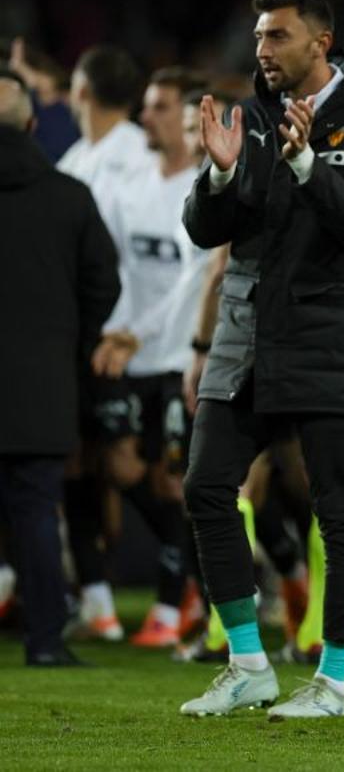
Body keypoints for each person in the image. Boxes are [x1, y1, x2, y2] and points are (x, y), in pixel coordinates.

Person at [178, 0, 344, 720]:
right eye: (257, 37)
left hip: (331, 334)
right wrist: (220, 175)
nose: (261, 50)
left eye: (276, 36)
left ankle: (332, 681)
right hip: (247, 332)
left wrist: (310, 166)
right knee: (205, 486)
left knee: (336, 509)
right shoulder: (251, 115)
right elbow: (206, 230)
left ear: (321, 41)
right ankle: (249, 663)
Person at [0, 68, 121, 665]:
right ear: (30, 124)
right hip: (42, 386)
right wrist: (70, 345)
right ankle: (45, 642)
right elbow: (105, 283)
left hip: (42, 377)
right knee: (36, 512)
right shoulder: (69, 196)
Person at [95, 67, 208, 649]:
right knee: (119, 466)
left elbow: (191, 280)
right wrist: (113, 331)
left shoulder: (202, 191)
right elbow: (111, 264)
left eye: (160, 107)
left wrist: (135, 333)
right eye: (147, 106)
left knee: (172, 484)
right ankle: (185, 572)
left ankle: (171, 604)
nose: (146, 117)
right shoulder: (131, 186)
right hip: (127, 352)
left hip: (174, 355)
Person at [56, 44, 154, 642]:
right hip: (83, 338)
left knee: (129, 468)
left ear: (82, 91)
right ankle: (96, 600)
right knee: (79, 462)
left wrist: (132, 331)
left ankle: (191, 580)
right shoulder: (77, 157)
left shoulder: (139, 158)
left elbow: (142, 259)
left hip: (129, 341)